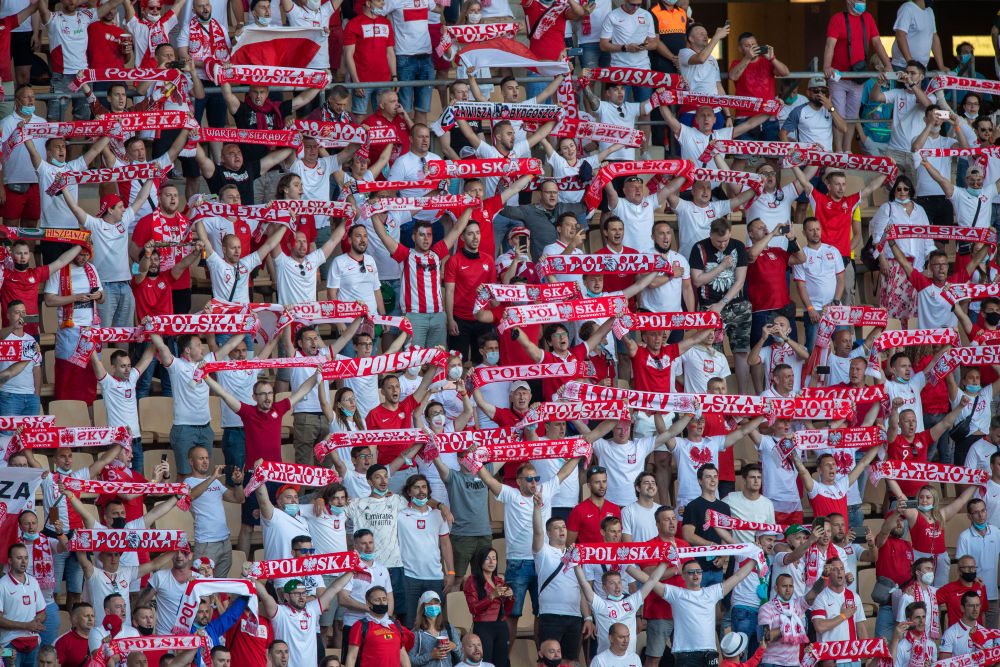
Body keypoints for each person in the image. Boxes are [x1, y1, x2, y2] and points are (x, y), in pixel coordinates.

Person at [475, 456, 583, 653]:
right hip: (518, 563)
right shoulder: (511, 494)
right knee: (512, 615)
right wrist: (474, 461)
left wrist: (579, 453)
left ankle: (542, 658)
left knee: (541, 614)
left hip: (543, 562)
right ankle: (505, 659)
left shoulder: (545, 490)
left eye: (536, 478)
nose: (534, 482)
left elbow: (565, 472)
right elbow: (489, 480)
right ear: (518, 481)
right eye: (529, 479)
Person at [822, 0, 891, 151]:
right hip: (838, 77)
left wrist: (888, 65)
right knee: (839, 113)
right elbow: (830, 44)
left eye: (864, 0)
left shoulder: (868, 18)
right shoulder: (837, 19)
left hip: (858, 78)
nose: (863, 3)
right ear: (849, 1)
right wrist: (827, 66)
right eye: (859, 0)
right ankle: (839, 151)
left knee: (852, 115)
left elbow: (877, 43)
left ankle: (847, 150)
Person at [256, 572, 356, 667]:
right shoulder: (280, 612)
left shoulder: (312, 609)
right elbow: (264, 595)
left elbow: (334, 588)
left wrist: (352, 572)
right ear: (286, 596)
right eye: (297, 594)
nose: (302, 597)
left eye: (304, 593)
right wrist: (250, 578)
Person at [576, 562, 666, 656]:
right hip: (606, 660)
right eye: (612, 583)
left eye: (619, 582)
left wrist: (666, 562)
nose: (617, 586)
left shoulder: (632, 602)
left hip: (629, 660)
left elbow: (652, 580)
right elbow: (583, 583)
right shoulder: (600, 605)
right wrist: (576, 564)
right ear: (604, 588)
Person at [463, 547, 513, 667]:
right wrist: (491, 596)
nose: (491, 562)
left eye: (494, 559)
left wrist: (510, 597)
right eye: (487, 558)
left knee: (502, 662)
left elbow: (507, 610)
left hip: (501, 625)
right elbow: (473, 609)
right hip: (483, 626)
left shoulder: (499, 581)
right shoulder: (472, 581)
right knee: (485, 662)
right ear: (480, 561)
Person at [955, 499, 1000, 628]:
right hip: (973, 594)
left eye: (983, 511)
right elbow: (961, 565)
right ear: (969, 516)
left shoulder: (996, 532)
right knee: (972, 633)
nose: (981, 515)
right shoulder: (964, 537)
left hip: (992, 593)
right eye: (976, 512)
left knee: (992, 634)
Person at [344, 586, 412, 667]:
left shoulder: (395, 624)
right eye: (377, 600)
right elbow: (352, 656)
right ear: (368, 603)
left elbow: (403, 654)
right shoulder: (360, 626)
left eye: (384, 599)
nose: (382, 602)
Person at [408, 591, 461, 667]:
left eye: (436, 603)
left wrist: (454, 646)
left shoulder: (448, 627)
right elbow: (409, 661)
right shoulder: (416, 632)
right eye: (429, 603)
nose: (433, 606)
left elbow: (462, 655)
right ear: (423, 607)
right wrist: (430, 655)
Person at [890, 602, 937, 667]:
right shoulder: (901, 647)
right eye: (917, 617)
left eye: (923, 617)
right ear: (909, 621)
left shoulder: (931, 645)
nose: (921, 621)